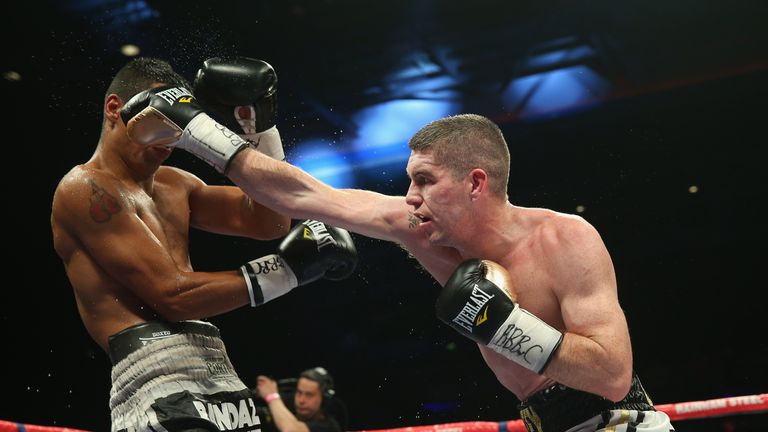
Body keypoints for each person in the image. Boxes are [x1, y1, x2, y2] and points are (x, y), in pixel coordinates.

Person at [130, 57, 675, 430]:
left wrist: (505, 326)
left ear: (476, 183)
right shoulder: (417, 230)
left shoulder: (565, 238)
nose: (409, 197)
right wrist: (205, 127)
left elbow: (612, 373)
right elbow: (299, 194)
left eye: (425, 181)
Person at [50, 57, 359, 432]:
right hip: (156, 376)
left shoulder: (176, 184)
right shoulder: (84, 189)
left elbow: (269, 220)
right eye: (158, 117)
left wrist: (259, 128)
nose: (170, 134)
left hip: (222, 374)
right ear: (116, 108)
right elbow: (172, 297)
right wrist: (286, 271)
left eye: (176, 121)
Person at [255, 367, 345, 432]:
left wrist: (271, 396)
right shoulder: (289, 401)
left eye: (309, 395)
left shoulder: (329, 427)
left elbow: (291, 430)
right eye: (299, 392)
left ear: (324, 398)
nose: (301, 400)